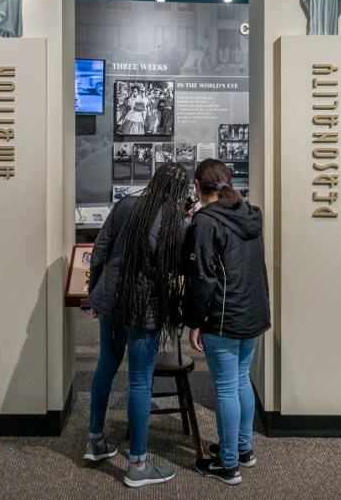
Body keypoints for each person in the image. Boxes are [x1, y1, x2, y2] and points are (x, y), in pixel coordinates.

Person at [85, 163, 189, 488]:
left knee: (105, 366)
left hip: (111, 300)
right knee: (141, 381)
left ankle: (95, 442)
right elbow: (176, 270)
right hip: (144, 308)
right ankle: (137, 465)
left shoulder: (126, 204)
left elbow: (99, 251)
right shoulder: (176, 222)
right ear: (180, 192)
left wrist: (94, 296)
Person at [182, 159, 271, 485]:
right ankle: (243, 448)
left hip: (223, 318)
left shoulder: (206, 222)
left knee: (226, 389)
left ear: (197, 186)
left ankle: (229, 464)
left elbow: (201, 278)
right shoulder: (248, 214)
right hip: (253, 313)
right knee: (240, 381)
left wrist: (193, 321)